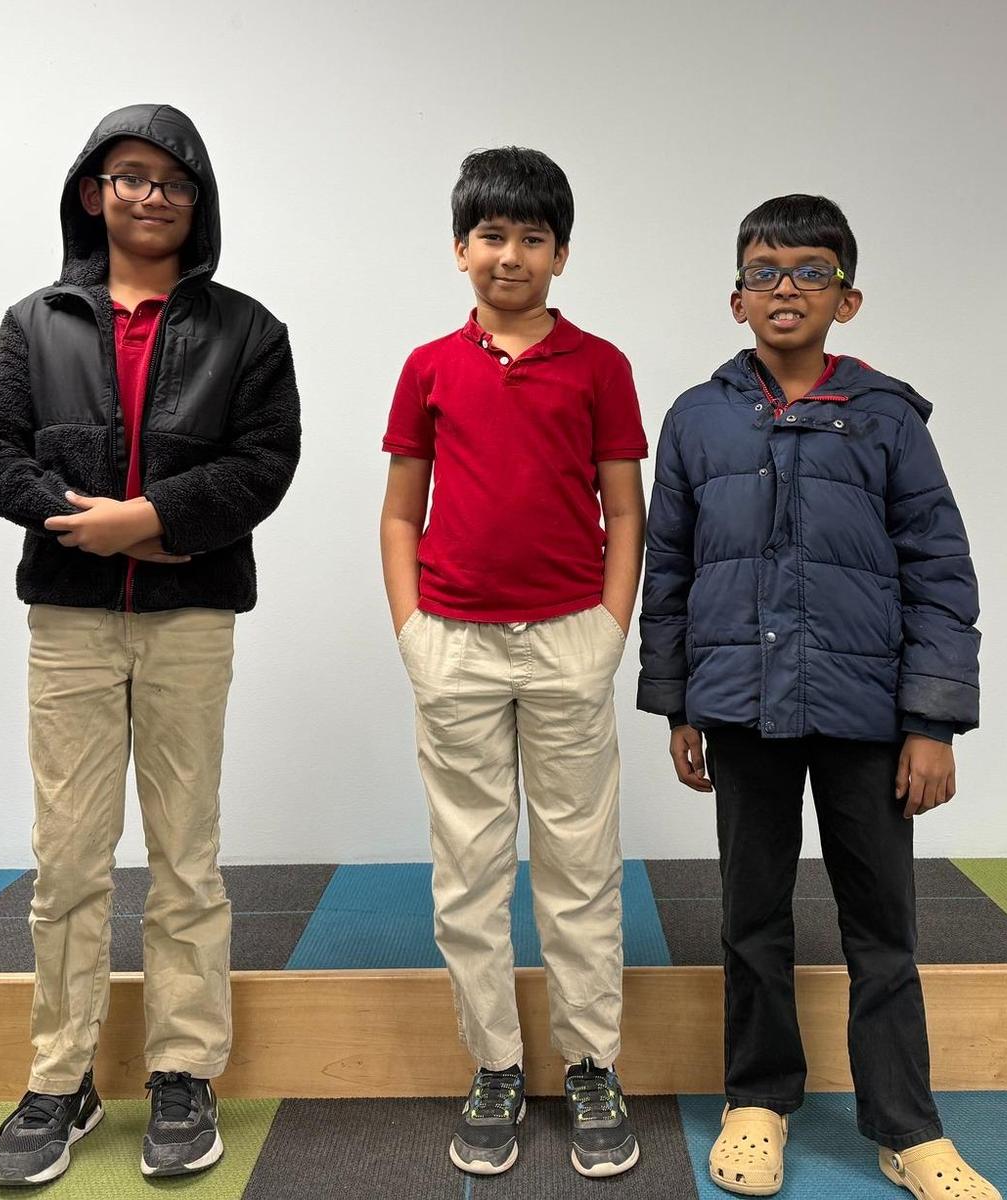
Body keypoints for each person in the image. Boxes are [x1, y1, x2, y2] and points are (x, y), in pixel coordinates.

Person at [0, 103, 300, 1186]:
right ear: (90, 191)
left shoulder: (250, 331)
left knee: (187, 854)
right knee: (68, 857)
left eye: (174, 181)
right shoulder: (36, 322)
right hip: (67, 619)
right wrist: (82, 520)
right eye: (130, 176)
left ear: (200, 204)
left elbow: (265, 465)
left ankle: (184, 1071)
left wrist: (149, 521)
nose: (151, 196)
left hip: (192, 620)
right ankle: (58, 1079)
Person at [637, 194, 1000, 1199]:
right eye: (765, 271)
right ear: (736, 296)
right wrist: (678, 704)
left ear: (849, 295)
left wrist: (931, 721)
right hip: (742, 711)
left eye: (809, 271)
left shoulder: (886, 417)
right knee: (751, 917)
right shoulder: (697, 418)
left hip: (867, 718)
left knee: (881, 925)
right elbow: (667, 572)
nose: (785, 287)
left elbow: (941, 571)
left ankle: (908, 1126)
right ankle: (757, 1102)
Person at [379, 147, 647, 1178]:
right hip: (452, 642)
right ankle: (494, 1063)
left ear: (562, 254)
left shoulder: (600, 366)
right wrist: (413, 631)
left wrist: (608, 630)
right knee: (469, 871)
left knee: (580, 867)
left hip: (571, 637)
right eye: (492, 235)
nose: (511, 254)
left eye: (534, 237)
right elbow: (403, 509)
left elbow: (624, 509)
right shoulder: (429, 367)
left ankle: (591, 1064)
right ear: (460, 248)